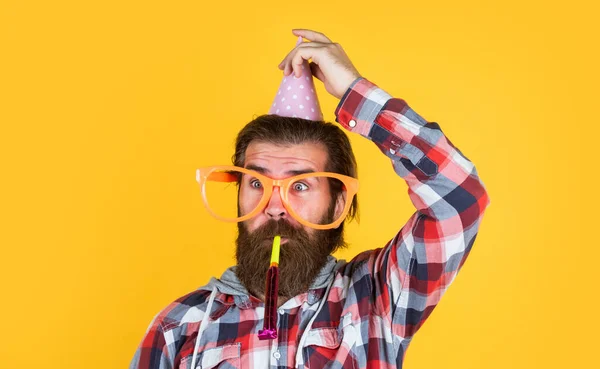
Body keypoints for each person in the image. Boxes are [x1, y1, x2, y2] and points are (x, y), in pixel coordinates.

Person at [130, 29, 490, 369]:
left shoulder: (377, 299)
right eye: (257, 183)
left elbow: (458, 196)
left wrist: (354, 90)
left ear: (337, 204)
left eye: (300, 186)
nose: (274, 206)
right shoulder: (178, 328)